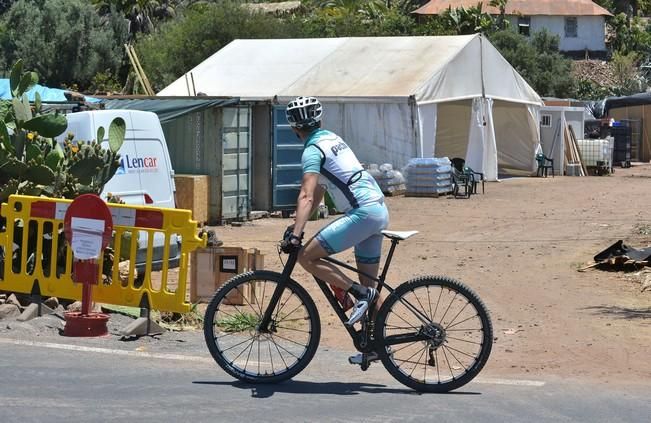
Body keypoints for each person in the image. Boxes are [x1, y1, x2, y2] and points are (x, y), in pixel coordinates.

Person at [280, 96, 389, 364]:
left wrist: (296, 237)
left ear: (294, 129)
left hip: (363, 212)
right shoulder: (332, 138)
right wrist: (297, 225)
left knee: (307, 256)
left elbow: (306, 194)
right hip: (378, 209)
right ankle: (374, 345)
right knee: (372, 287)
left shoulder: (311, 149)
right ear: (320, 120)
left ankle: (358, 294)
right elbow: (319, 191)